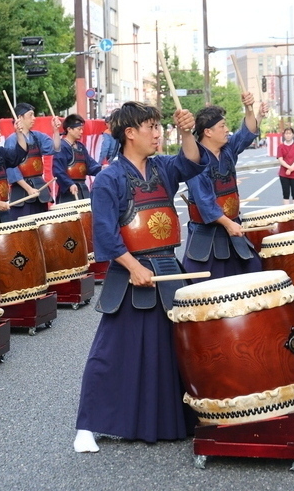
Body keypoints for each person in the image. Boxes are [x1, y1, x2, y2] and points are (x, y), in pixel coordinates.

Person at [73, 101, 208, 453]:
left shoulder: (162, 167)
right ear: (129, 133)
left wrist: (186, 132)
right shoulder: (108, 179)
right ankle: (88, 426)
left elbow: (192, 162)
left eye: (158, 126)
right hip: (130, 271)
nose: (156, 132)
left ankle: (170, 419)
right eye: (150, 126)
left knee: (172, 347)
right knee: (113, 350)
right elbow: (105, 233)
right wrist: (134, 268)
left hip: (166, 268)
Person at [181, 94, 266, 282]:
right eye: (222, 126)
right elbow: (204, 202)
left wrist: (249, 108)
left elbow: (246, 134)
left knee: (252, 271)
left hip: (232, 224)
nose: (227, 130)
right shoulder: (196, 160)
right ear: (208, 132)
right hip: (206, 233)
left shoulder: (227, 149)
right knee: (203, 286)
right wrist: (229, 224)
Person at [4, 103, 61, 219]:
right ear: (19, 118)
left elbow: (55, 148)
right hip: (22, 191)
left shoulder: (37, 136)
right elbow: (12, 170)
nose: (34, 118)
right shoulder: (11, 140)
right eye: (30, 115)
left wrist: (56, 130)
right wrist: (29, 189)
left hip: (39, 187)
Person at [52, 114, 101, 203]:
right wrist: (69, 184)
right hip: (69, 193)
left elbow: (90, 165)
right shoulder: (62, 147)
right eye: (79, 129)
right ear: (69, 129)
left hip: (82, 191)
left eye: (82, 129)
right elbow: (58, 171)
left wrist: (103, 169)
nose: (81, 132)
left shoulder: (81, 147)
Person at [277, 127, 294, 205]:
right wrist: (288, 167)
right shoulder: (280, 146)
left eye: (289, 133)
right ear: (284, 135)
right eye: (286, 133)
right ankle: (286, 212)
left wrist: (291, 169)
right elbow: (280, 159)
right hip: (284, 173)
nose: (288, 135)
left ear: (293, 135)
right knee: (285, 193)